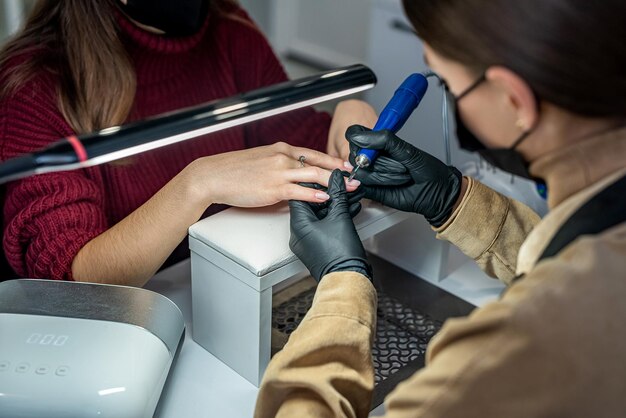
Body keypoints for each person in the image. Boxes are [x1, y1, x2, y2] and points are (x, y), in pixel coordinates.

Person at [255, 0, 626, 417]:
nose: (450, 101)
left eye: (449, 85)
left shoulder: (509, 350)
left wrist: (342, 280)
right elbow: (569, 258)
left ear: (513, 100)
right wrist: (454, 199)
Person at [0, 0, 375, 286]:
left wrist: (349, 116)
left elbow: (299, 143)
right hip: (130, 331)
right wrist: (198, 184)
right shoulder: (31, 86)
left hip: (230, 288)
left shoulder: (228, 27)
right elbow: (75, 278)